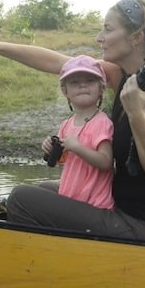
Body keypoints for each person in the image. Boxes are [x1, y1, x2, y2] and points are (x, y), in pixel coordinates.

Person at [0, 0, 145, 242]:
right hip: (120, 205)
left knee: (21, 199)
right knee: (43, 190)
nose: (99, 37)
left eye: (108, 29)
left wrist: (136, 114)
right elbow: (59, 63)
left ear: (136, 37)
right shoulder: (122, 75)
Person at [47, 54, 114, 210]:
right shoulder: (66, 124)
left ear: (101, 88)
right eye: (75, 82)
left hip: (94, 204)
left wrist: (77, 147)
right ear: (65, 91)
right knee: (39, 189)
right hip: (72, 198)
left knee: (22, 195)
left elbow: (106, 162)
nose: (83, 85)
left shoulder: (102, 123)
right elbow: (62, 160)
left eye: (90, 81)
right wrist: (50, 149)